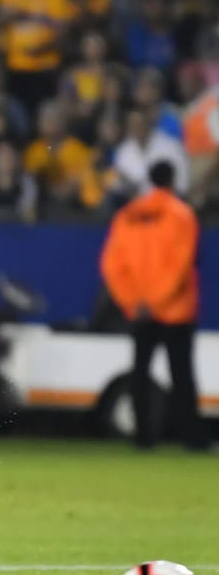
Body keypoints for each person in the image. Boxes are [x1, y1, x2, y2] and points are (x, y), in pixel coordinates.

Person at [99, 161, 208, 451]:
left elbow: (112, 265)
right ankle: (192, 439)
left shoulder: (128, 215)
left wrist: (135, 301)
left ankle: (143, 437)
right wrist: (159, 299)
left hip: (140, 311)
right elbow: (182, 264)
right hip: (175, 311)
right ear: (172, 179)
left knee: (139, 373)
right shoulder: (182, 215)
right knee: (182, 375)